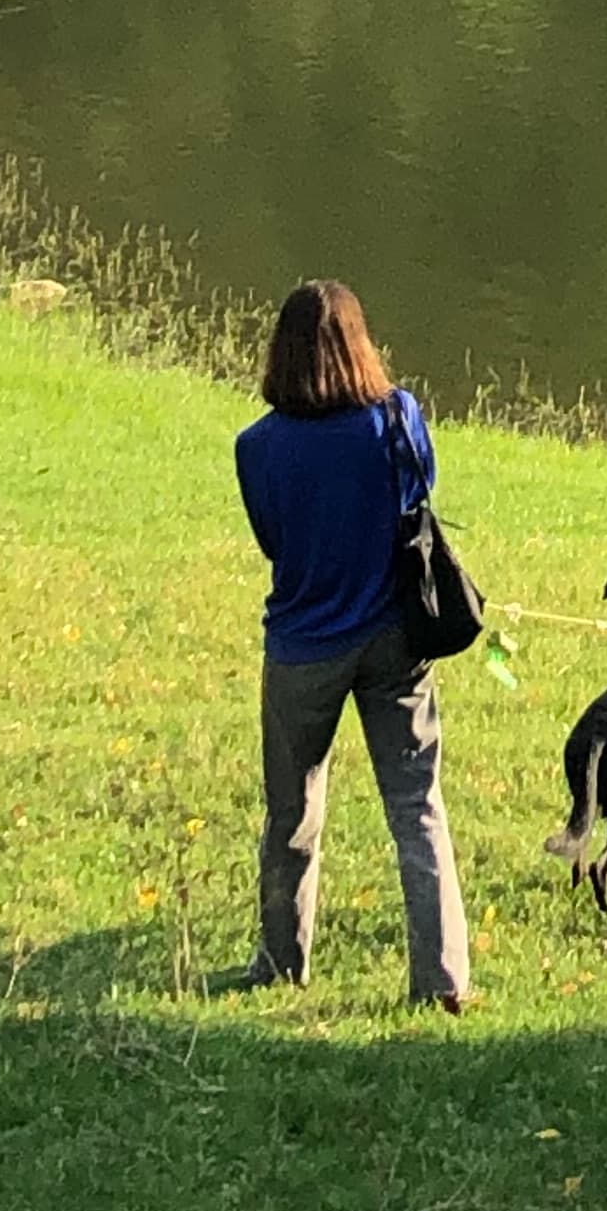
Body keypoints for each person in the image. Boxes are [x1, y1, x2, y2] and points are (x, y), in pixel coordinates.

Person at [232, 277, 472, 1009]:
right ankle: (442, 982)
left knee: (291, 813)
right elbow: (419, 491)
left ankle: (281, 961)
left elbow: (273, 541)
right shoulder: (397, 419)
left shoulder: (257, 448)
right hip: (395, 639)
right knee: (417, 808)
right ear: (362, 344)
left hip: (303, 645)